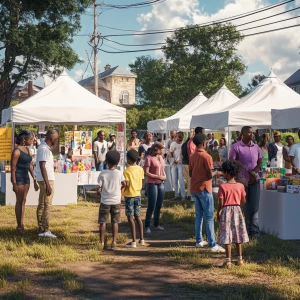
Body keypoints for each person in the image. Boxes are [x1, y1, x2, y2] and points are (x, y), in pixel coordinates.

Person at [189, 133, 225, 253]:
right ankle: (212, 244)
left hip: (194, 188)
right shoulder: (207, 157)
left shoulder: (192, 156)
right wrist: (217, 173)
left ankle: (199, 240)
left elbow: (190, 173)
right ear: (204, 143)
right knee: (209, 217)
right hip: (205, 188)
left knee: (199, 215)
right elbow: (209, 174)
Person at [229, 126, 262, 238]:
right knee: (245, 207)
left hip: (255, 181)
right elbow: (231, 164)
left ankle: (255, 231)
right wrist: (239, 177)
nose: (251, 134)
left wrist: (255, 172)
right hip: (242, 183)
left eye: (252, 133)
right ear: (243, 134)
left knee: (255, 207)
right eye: (249, 132)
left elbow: (259, 162)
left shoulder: (256, 147)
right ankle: (245, 231)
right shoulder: (235, 147)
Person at [217, 160, 249, 269]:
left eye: (223, 172)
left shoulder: (223, 187)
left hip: (226, 211)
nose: (222, 174)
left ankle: (228, 261)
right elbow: (243, 200)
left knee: (227, 236)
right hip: (237, 211)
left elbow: (220, 203)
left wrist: (218, 213)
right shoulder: (240, 186)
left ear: (228, 173)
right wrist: (237, 206)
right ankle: (240, 259)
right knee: (238, 235)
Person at [11, 130, 39, 233]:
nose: (32, 141)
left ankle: (21, 224)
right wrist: (14, 183)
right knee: (20, 201)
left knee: (23, 200)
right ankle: (19, 226)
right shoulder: (16, 151)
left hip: (26, 178)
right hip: (18, 178)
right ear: (23, 139)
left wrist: (34, 179)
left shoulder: (28, 150)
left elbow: (30, 166)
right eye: (30, 139)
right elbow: (13, 168)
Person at [97, 151, 126, 250]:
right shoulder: (119, 173)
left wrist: (99, 193)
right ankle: (114, 242)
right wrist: (119, 189)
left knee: (103, 222)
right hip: (116, 201)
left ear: (106, 161)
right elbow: (125, 184)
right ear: (118, 162)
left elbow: (99, 188)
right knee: (115, 222)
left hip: (105, 201)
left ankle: (101, 242)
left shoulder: (103, 173)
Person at [35, 129, 59, 238]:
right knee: (47, 204)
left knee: (42, 203)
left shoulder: (42, 148)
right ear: (51, 138)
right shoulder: (44, 149)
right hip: (47, 180)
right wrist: (48, 184)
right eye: (56, 139)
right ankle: (45, 229)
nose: (56, 141)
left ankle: (41, 227)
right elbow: (42, 166)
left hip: (43, 179)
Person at [123, 150, 145, 248]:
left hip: (129, 196)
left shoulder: (126, 171)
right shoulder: (140, 169)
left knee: (130, 218)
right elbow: (142, 181)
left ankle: (133, 241)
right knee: (138, 217)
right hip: (138, 195)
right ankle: (142, 239)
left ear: (128, 160)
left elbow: (126, 184)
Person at [144, 142, 166, 234]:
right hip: (152, 183)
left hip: (161, 183)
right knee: (151, 205)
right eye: (161, 149)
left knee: (159, 205)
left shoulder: (160, 157)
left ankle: (156, 224)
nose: (163, 151)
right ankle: (147, 226)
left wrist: (164, 176)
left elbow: (162, 168)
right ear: (156, 149)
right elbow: (146, 172)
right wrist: (158, 177)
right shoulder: (148, 158)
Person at [170, 132, 186, 201]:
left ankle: (183, 196)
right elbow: (171, 153)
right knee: (174, 179)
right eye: (178, 137)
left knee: (181, 179)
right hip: (174, 163)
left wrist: (180, 160)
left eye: (181, 137)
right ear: (176, 137)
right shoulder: (173, 144)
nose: (180, 138)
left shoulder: (183, 145)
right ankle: (176, 195)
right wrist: (173, 159)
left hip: (180, 163)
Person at [182, 135, 191, 201]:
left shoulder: (184, 144)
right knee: (190, 180)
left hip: (184, 163)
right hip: (188, 163)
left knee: (188, 180)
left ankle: (188, 194)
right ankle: (189, 195)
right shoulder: (190, 144)